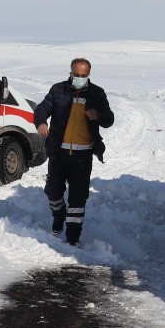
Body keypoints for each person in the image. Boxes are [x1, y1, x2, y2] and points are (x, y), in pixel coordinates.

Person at [32, 57, 115, 245]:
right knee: (53, 192)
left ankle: (72, 239)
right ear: (70, 73)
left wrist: (98, 115)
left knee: (78, 199)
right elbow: (42, 109)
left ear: (89, 75)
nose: (80, 78)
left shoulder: (97, 93)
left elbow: (109, 119)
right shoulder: (58, 90)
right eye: (76, 75)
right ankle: (59, 215)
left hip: (82, 156)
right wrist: (41, 122)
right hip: (58, 153)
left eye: (83, 75)